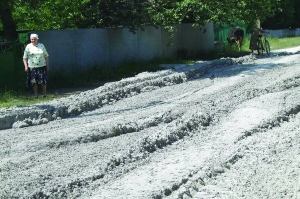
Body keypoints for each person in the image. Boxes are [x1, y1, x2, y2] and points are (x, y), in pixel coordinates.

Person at [23, 33, 49, 98]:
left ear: (37, 39)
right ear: (30, 39)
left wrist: (47, 65)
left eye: (34, 39)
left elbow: (46, 56)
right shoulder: (28, 46)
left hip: (42, 66)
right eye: (32, 39)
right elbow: (24, 58)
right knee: (34, 82)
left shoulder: (41, 45)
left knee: (43, 81)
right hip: (32, 67)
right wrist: (26, 66)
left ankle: (44, 94)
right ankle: (36, 95)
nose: (33, 40)